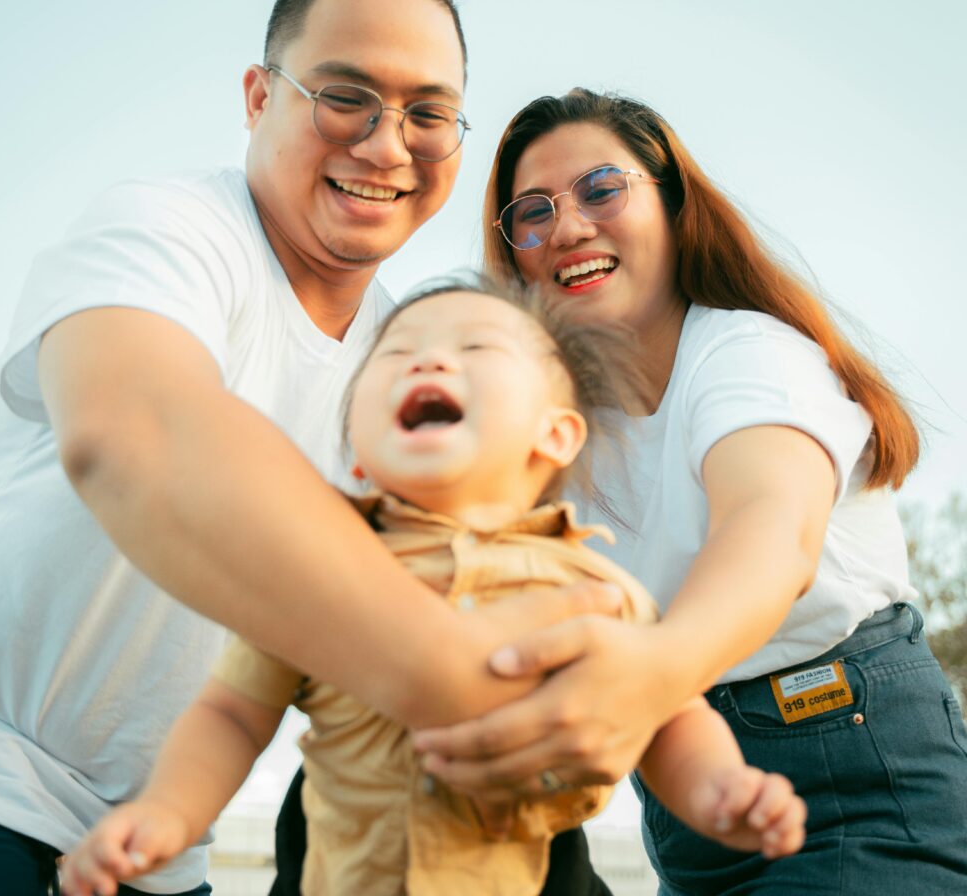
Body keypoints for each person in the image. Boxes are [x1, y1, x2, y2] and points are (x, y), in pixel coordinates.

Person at [0, 0, 621, 896]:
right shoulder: (167, 230)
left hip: (161, 841)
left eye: (428, 114)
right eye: (346, 97)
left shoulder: (407, 363)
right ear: (260, 97)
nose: (387, 146)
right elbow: (130, 436)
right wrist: (441, 662)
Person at [60, 282, 807, 896]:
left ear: (554, 435)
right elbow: (231, 713)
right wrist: (168, 811)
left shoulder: (592, 586)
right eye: (396, 354)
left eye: (477, 348)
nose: (429, 360)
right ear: (356, 452)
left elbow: (666, 712)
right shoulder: (321, 571)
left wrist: (718, 788)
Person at [409, 89, 967, 893]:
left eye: (601, 189)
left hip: (852, 769)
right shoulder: (555, 436)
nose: (567, 227)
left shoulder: (746, 351)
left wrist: (650, 670)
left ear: (672, 204)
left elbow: (771, 530)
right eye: (533, 212)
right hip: (689, 805)